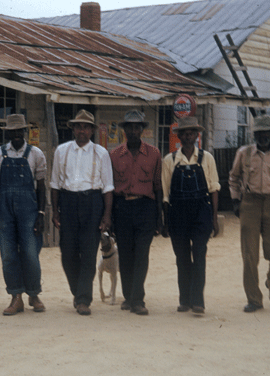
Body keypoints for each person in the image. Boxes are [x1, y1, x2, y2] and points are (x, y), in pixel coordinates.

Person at [228, 114, 270, 313]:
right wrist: (235, 201)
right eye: (260, 132)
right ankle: (254, 299)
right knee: (249, 255)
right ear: (255, 134)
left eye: (267, 132)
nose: (263, 136)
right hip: (249, 204)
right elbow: (233, 179)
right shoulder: (244, 153)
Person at [50, 109, 114, 316]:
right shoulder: (62, 151)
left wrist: (106, 216)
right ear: (73, 129)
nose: (82, 130)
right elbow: (55, 184)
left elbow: (108, 188)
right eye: (78, 126)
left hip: (92, 202)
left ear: (92, 131)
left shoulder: (101, 153)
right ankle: (78, 293)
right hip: (68, 203)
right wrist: (56, 211)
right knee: (67, 253)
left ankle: (83, 299)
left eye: (86, 127)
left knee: (88, 253)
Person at [0, 114, 47, 315]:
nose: (16, 135)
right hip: (5, 211)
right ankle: (16, 297)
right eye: (12, 131)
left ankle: (34, 294)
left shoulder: (36, 154)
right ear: (8, 133)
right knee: (8, 254)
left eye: (19, 131)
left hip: (29, 211)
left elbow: (41, 186)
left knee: (30, 253)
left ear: (25, 131)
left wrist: (41, 213)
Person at [161, 116, 220, 315]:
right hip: (177, 213)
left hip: (201, 211)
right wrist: (166, 221)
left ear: (197, 135)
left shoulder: (207, 158)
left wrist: (214, 218)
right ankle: (184, 300)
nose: (187, 136)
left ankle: (198, 302)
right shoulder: (169, 160)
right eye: (184, 133)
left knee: (200, 255)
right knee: (182, 258)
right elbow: (166, 194)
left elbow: (214, 189)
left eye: (191, 133)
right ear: (179, 136)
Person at [110, 109, 163, 315]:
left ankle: (138, 299)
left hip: (145, 208)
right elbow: (111, 187)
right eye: (129, 127)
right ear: (124, 130)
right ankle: (127, 296)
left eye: (137, 127)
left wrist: (159, 216)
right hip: (122, 207)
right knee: (125, 254)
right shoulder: (114, 155)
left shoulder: (154, 154)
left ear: (142, 130)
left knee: (142, 254)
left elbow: (158, 186)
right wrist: (111, 217)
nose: (133, 131)